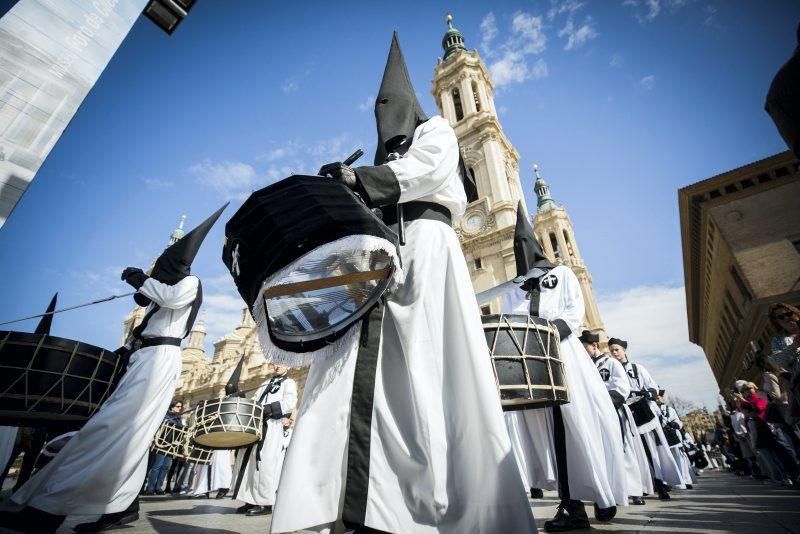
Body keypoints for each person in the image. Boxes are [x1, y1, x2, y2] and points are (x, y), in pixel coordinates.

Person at [267, 33, 537, 534]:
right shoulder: (389, 161)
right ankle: (374, 504)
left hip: (429, 249)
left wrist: (361, 179)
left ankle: (450, 501)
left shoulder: (436, 131)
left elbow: (426, 171)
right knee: (382, 377)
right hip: (389, 259)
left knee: (435, 368)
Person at [0, 205, 225, 534]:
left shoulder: (190, 281)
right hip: (145, 357)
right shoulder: (161, 295)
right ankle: (118, 507)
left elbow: (172, 298)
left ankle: (50, 506)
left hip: (159, 358)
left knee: (106, 428)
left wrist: (143, 281)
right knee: (132, 436)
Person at [501, 207, 627, 532]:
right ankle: (571, 505)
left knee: (578, 425)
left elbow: (573, 313)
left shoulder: (564, 274)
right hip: (534, 365)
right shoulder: (514, 286)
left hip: (563, 355)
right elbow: (510, 319)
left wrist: (546, 332)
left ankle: (600, 493)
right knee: (552, 433)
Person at [579, 330, 653, 505]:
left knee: (624, 449)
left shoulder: (611, 363)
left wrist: (605, 402)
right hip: (595, 414)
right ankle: (611, 490)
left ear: (594, 345)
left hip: (614, 411)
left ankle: (635, 491)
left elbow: (622, 386)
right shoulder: (584, 367)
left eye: (584, 348)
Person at [608, 338, 684, 500]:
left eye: (617, 349)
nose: (615, 353)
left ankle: (660, 483)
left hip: (644, 411)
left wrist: (649, 392)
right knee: (635, 451)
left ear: (624, 350)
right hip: (627, 413)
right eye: (612, 350)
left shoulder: (637, 368)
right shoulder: (612, 369)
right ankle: (640, 487)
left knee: (652, 449)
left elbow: (652, 385)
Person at [233, 364, 297, 516]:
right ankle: (249, 500)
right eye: (275, 363)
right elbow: (255, 400)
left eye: (281, 363)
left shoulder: (289, 383)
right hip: (256, 425)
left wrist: (267, 409)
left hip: (272, 426)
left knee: (265, 464)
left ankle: (265, 503)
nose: (277, 366)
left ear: (287, 366)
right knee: (249, 463)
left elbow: (290, 403)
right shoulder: (265, 383)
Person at [144, 401, 185, 495]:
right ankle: (150, 488)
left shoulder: (179, 418)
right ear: (172, 407)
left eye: (181, 407)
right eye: (178, 406)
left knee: (165, 467)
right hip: (161, 444)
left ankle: (158, 487)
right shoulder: (165, 415)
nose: (180, 408)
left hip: (171, 445)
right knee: (157, 466)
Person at [656, 392, 695, 489]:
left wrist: (674, 424)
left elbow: (678, 422)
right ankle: (669, 482)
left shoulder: (670, 409)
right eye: (656, 397)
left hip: (673, 436)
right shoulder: (654, 409)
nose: (658, 399)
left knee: (679, 459)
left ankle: (684, 480)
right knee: (666, 460)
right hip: (661, 437)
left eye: (659, 397)